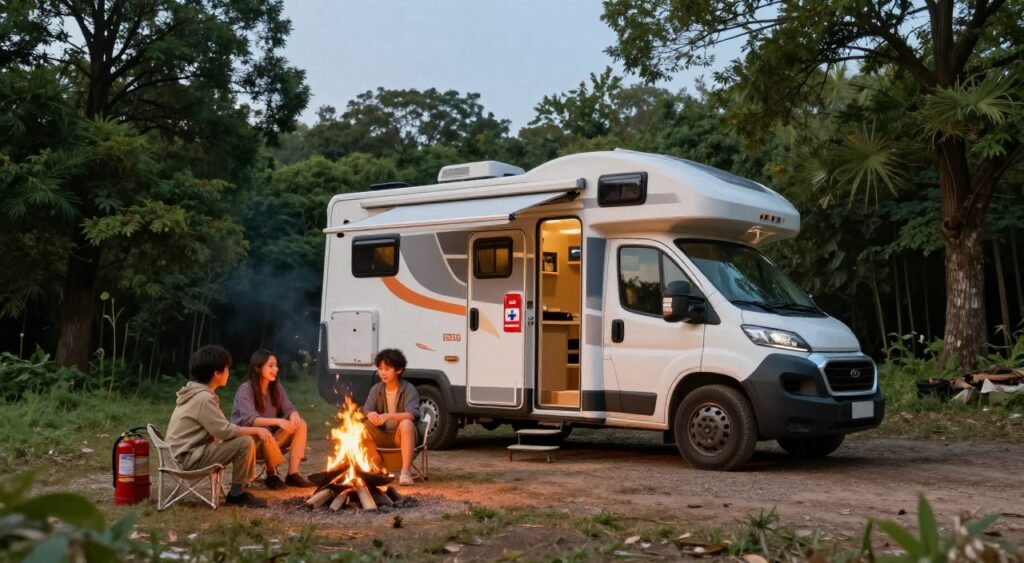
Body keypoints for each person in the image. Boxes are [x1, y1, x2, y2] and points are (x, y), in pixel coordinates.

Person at [165, 345, 271, 508]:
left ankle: (238, 492)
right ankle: (237, 495)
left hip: (179, 456)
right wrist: (257, 429)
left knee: (243, 439)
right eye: (227, 369)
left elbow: (220, 429)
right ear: (217, 373)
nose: (229, 372)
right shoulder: (203, 399)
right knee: (245, 442)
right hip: (188, 460)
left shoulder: (193, 392)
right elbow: (224, 431)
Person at [230, 350, 314, 489]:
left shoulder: (276, 388)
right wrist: (278, 421)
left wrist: (293, 415)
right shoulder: (245, 390)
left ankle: (293, 474)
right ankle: (272, 474)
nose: (276, 369)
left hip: (272, 441)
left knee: (301, 424)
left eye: (276, 366)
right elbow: (251, 420)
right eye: (271, 365)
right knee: (263, 432)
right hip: (250, 442)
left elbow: (289, 409)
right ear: (257, 368)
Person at [363, 348, 421, 486]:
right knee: (361, 426)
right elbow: (367, 409)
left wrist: (389, 416)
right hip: (382, 435)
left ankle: (405, 472)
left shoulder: (409, 389)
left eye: (387, 369)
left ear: (399, 370)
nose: (383, 373)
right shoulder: (376, 389)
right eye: (380, 368)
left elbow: (413, 414)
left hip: (402, 436)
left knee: (406, 423)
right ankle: (377, 466)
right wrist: (371, 414)